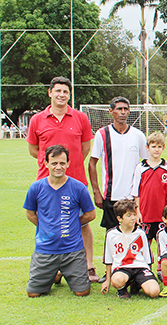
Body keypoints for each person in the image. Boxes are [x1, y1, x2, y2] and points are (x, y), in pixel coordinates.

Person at [27, 77, 99, 282]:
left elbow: (85, 147)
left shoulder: (80, 118)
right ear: (50, 93)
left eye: (65, 92)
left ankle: (88, 266)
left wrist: (69, 166)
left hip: (75, 179)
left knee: (83, 223)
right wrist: (52, 167)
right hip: (47, 181)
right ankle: (54, 267)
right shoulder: (37, 119)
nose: (61, 95)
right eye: (57, 91)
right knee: (49, 223)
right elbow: (34, 149)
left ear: (69, 94)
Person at [24, 145, 96, 297]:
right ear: (46, 164)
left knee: (82, 292)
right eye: (54, 163)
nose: (58, 167)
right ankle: (54, 274)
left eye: (62, 163)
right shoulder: (36, 188)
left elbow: (90, 214)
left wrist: (73, 224)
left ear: (68, 163)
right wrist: (45, 226)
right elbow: (30, 214)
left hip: (73, 250)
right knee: (33, 294)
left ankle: (61, 271)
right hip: (45, 250)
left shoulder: (78, 187)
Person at [89, 96, 149, 232]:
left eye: (126, 109)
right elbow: (92, 163)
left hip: (132, 196)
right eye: (119, 109)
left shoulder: (138, 135)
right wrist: (96, 191)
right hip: (111, 195)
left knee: (133, 235)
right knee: (112, 236)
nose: (123, 112)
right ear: (111, 111)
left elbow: (146, 164)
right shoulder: (102, 134)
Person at [100, 199, 159, 299]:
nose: (133, 218)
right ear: (119, 218)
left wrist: (149, 274)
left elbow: (147, 257)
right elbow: (108, 259)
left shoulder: (140, 233)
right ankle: (122, 289)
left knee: (154, 292)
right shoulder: (111, 234)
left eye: (134, 214)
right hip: (122, 269)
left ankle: (136, 283)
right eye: (129, 215)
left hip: (140, 267)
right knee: (117, 280)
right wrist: (107, 281)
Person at [131, 132, 167, 246]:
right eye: (153, 146)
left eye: (159, 147)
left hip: (162, 215)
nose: (156, 150)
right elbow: (136, 192)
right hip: (146, 214)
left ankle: (162, 265)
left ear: (163, 148)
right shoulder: (140, 168)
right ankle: (146, 265)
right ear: (147, 148)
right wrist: (138, 211)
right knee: (145, 246)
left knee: (164, 246)